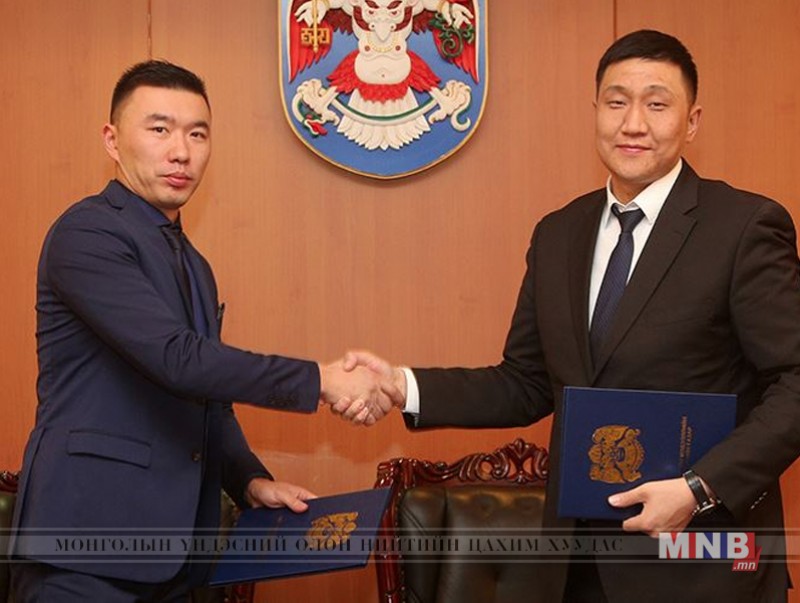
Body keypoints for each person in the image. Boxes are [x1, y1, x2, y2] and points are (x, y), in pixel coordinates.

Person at [339, 30, 800, 602]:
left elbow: (794, 380)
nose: (633, 123)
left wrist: (698, 489)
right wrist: (401, 385)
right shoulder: (558, 234)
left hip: (701, 564)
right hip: (579, 564)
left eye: (657, 104)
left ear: (692, 122)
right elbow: (527, 383)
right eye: (616, 102)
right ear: (596, 111)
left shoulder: (743, 227)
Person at [10, 60, 397, 601]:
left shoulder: (194, 263)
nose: (181, 152)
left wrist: (248, 481)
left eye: (198, 134)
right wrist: (322, 380)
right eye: (159, 129)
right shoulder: (87, 233)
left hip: (175, 560)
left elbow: (206, 395)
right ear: (112, 140)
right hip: (85, 551)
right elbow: (178, 358)